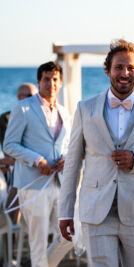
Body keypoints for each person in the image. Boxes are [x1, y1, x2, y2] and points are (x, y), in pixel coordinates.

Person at [58, 39, 134, 267]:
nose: (125, 73)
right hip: (96, 211)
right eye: (118, 67)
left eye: (131, 68)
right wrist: (65, 212)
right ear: (108, 71)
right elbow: (73, 164)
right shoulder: (86, 109)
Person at [3, 62, 73, 267]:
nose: (50, 83)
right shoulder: (23, 108)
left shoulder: (64, 111)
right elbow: (9, 144)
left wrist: (66, 158)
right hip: (32, 185)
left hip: (59, 183)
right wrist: (37, 159)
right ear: (39, 81)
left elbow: (67, 144)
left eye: (55, 79)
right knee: (38, 242)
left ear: (60, 83)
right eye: (46, 79)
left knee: (69, 234)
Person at [0, 83, 38, 223]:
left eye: (36, 96)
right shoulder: (7, 118)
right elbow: (10, 152)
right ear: (19, 97)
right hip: (18, 168)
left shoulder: (41, 117)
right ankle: (13, 232)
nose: (33, 99)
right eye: (29, 96)